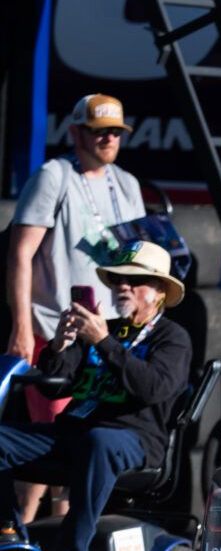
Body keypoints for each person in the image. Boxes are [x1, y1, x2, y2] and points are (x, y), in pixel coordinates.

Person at [0, 242, 191, 551]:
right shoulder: (103, 328)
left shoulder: (173, 338)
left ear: (159, 291)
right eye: (118, 279)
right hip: (75, 432)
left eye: (135, 281)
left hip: (134, 440)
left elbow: (150, 388)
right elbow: (54, 387)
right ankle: (11, 538)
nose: (123, 286)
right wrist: (60, 343)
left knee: (98, 440)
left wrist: (104, 342)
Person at [6, 94, 146, 524]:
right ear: (75, 132)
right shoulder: (54, 176)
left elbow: (139, 257)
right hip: (57, 333)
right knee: (49, 438)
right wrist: (22, 326)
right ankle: (24, 533)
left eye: (116, 132)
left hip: (108, 340)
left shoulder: (126, 184)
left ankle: (64, 539)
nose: (108, 139)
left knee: (85, 445)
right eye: (99, 130)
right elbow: (19, 253)